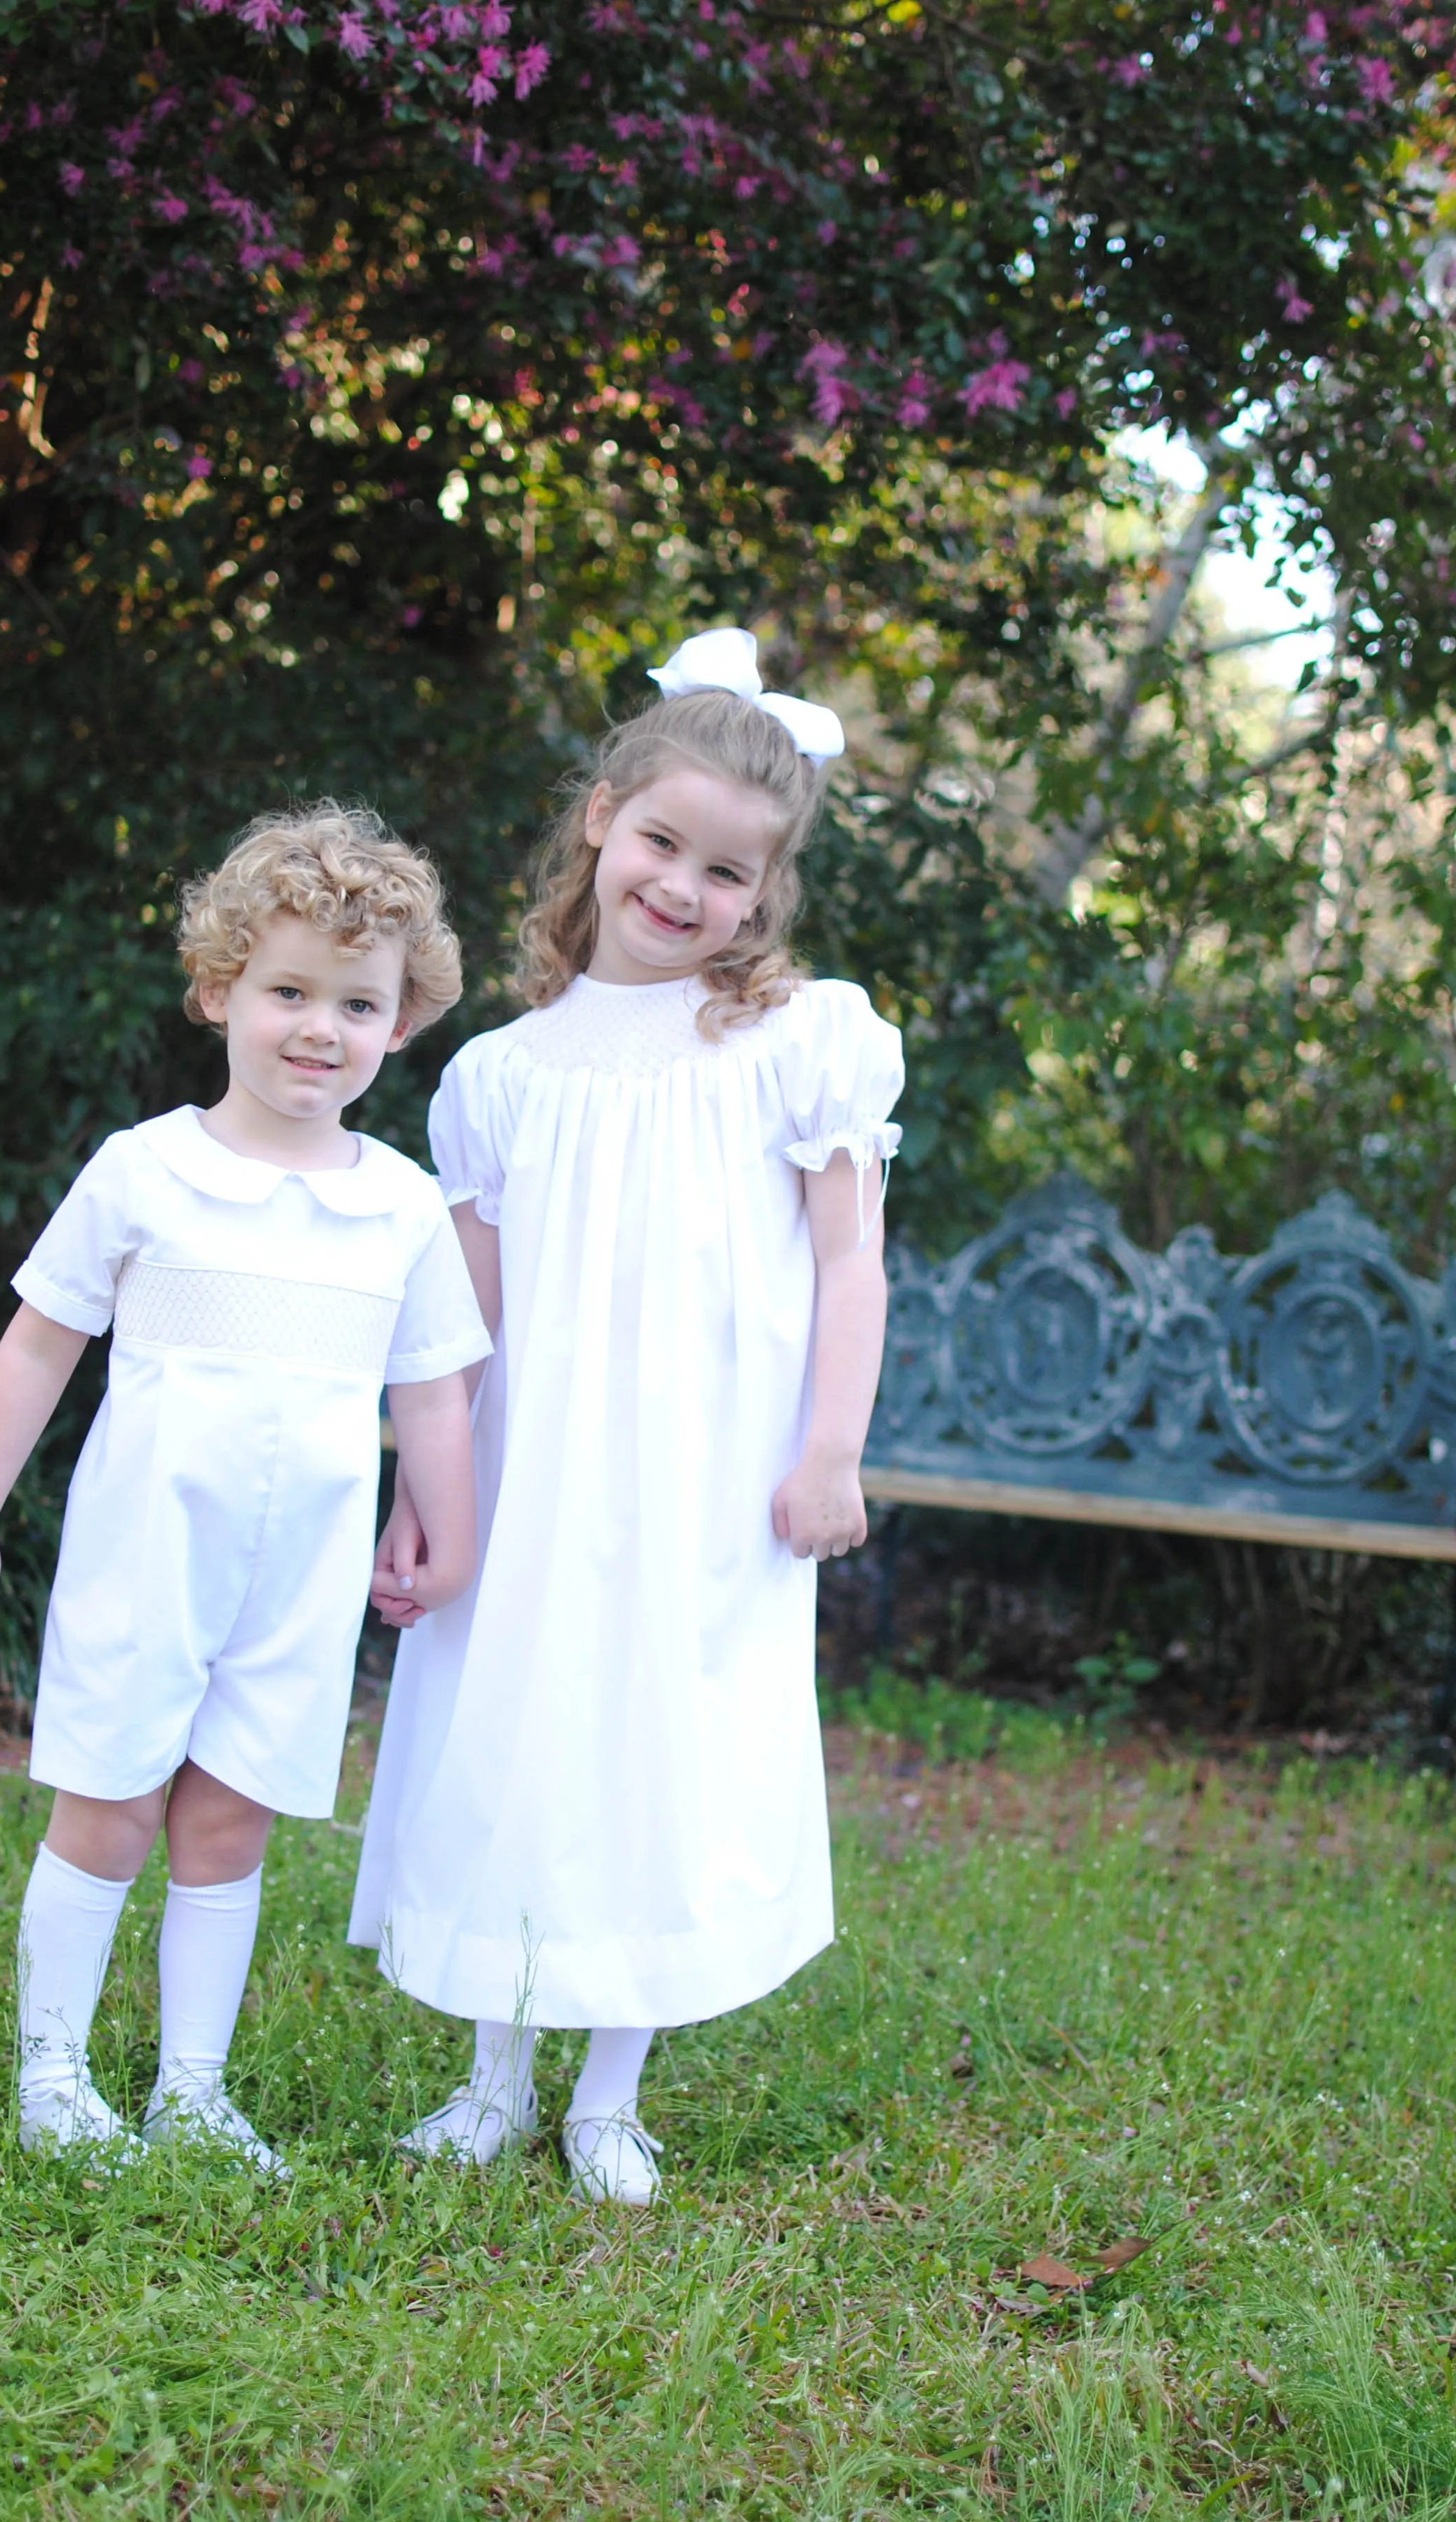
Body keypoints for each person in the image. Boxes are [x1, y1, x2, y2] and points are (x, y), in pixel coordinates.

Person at [350, 630, 904, 2204]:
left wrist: (829, 1447)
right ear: (603, 818)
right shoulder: (501, 1076)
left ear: (763, 894)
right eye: (663, 841)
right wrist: (423, 1489)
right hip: (534, 1466)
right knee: (514, 1736)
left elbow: (848, 1258)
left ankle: (609, 2092)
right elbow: (459, 1319)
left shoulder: (802, 1042)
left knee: (660, 1747)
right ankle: (490, 2074)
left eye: (729, 872)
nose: (685, 887)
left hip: (709, 1471)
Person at [0, 805, 491, 2172]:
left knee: (231, 1809)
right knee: (115, 1802)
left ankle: (194, 2087)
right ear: (218, 991)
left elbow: (430, 1392)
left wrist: (454, 1539)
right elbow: (39, 1341)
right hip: (148, 1548)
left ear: (400, 1022)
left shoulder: (402, 1207)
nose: (318, 1027)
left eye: (355, 1002)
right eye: (287, 990)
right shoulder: (149, 1172)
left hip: (297, 1568)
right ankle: (53, 2076)